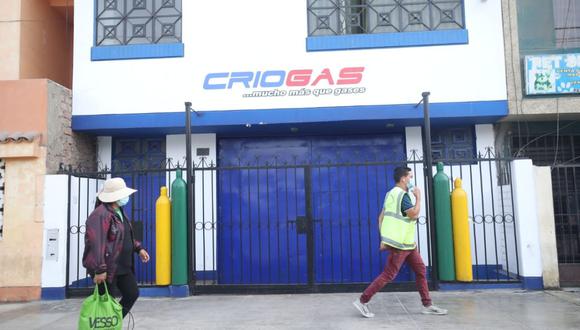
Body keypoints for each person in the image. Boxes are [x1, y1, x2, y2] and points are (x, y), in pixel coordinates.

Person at [353, 167, 448, 317]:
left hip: (408, 244)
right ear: (403, 178)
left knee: (421, 270)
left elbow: (380, 218)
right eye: (410, 176)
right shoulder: (403, 196)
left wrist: (384, 239)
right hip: (400, 245)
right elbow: (414, 214)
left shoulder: (389, 194)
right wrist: (418, 198)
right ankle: (362, 301)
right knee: (388, 274)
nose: (411, 179)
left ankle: (427, 305)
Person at [82, 177, 150, 318]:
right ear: (115, 196)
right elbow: (97, 243)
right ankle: (107, 324)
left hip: (122, 266)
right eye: (123, 194)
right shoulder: (100, 215)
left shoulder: (119, 210)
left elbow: (125, 235)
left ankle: (114, 322)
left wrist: (138, 248)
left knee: (132, 293)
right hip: (108, 268)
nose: (126, 197)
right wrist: (100, 269)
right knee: (107, 302)